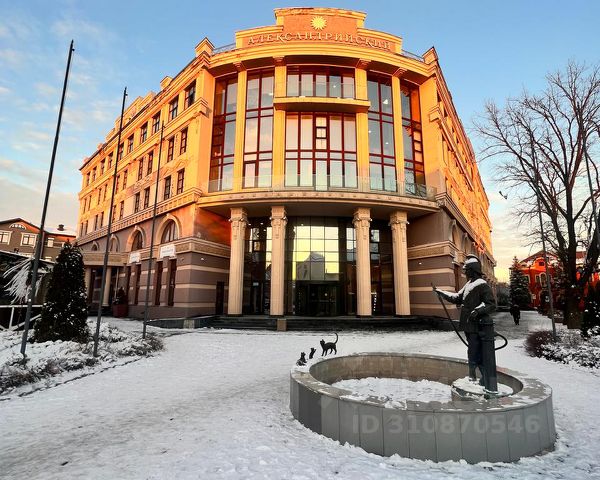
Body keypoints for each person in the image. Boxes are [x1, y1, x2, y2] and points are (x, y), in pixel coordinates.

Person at [433, 254, 496, 382]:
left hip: (477, 326)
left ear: (473, 270)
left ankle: (483, 378)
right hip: (469, 325)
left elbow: (491, 304)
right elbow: (457, 298)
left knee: (476, 352)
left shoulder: (482, 285)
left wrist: (477, 311)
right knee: (472, 351)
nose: (465, 272)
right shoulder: (469, 284)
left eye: (466, 270)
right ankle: (474, 376)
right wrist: (441, 293)